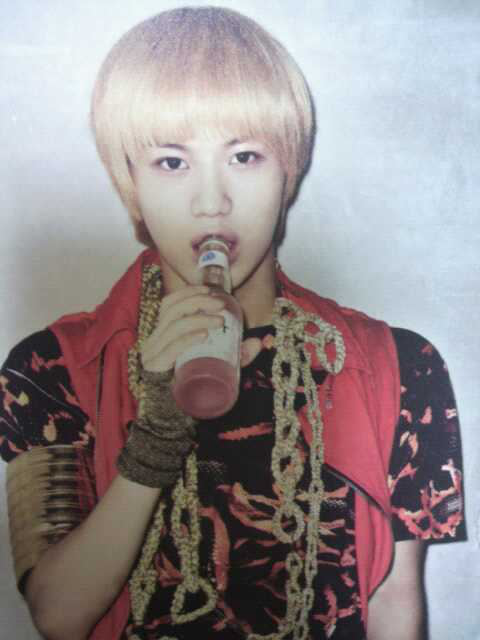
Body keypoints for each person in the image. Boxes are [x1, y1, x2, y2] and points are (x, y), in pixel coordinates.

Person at [0, 6, 465, 640]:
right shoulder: (51, 367)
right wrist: (156, 437)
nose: (212, 202)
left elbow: (393, 608)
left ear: (288, 169)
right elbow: (58, 615)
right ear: (130, 182)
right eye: (171, 163)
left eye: (245, 156)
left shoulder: (400, 367)